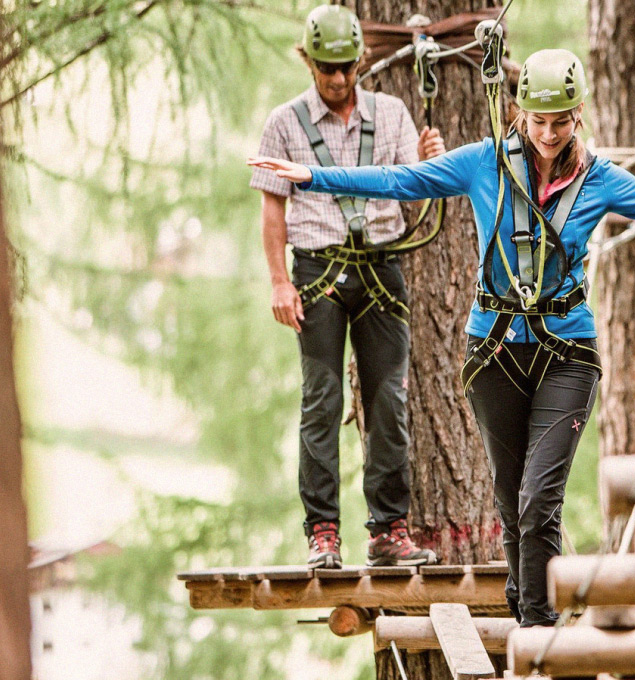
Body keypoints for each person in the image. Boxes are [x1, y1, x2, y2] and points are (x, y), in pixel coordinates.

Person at [249, 48, 635, 624]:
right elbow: (402, 180)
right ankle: (530, 614)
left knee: (540, 499)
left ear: (579, 115)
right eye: (538, 120)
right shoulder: (483, 164)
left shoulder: (599, 179)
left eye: (560, 121)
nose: (548, 133)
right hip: (494, 352)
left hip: (567, 353)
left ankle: (539, 632)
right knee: (512, 501)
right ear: (519, 112)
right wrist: (315, 177)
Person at [249, 5, 447, 568]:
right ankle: (323, 534)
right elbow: (272, 210)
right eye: (326, 69)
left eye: (345, 67)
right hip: (318, 274)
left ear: (360, 61)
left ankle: (389, 531)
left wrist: (428, 163)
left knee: (389, 401)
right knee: (322, 401)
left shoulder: (391, 114)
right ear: (309, 63)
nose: (337, 79)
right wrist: (279, 282)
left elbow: (414, 192)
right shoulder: (284, 123)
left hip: (382, 269)